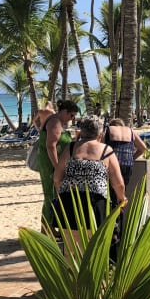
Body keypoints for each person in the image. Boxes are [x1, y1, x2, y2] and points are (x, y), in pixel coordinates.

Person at [52, 115, 126, 255]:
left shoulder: (71, 148)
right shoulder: (106, 151)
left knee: (71, 250)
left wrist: (62, 194)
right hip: (95, 204)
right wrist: (122, 199)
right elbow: (119, 183)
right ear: (101, 133)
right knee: (94, 250)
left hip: (69, 201)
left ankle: (72, 276)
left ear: (81, 132)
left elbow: (57, 178)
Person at [32, 99, 79, 230]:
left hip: (53, 164)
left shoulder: (56, 120)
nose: (72, 118)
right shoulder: (55, 121)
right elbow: (51, 145)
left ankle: (50, 227)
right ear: (65, 111)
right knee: (51, 195)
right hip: (51, 165)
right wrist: (58, 167)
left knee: (53, 195)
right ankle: (46, 229)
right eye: (71, 115)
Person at [104, 117, 147, 189]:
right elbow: (143, 148)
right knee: (122, 190)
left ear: (111, 125)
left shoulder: (109, 130)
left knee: (110, 192)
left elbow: (99, 146)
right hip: (127, 165)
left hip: (112, 165)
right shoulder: (130, 131)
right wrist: (132, 158)